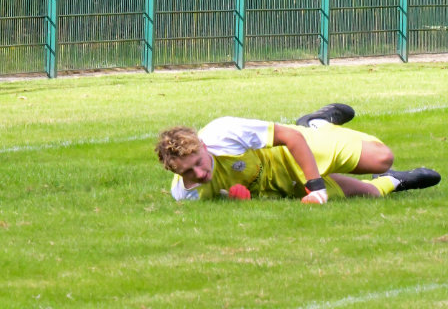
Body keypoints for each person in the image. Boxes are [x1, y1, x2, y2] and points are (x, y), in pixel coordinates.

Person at [155, 103, 441, 202]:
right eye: (188, 172)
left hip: (288, 152)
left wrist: (316, 188)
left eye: (198, 163)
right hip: (278, 185)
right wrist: (232, 199)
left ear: (203, 146)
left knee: (381, 158)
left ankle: (317, 123)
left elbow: (289, 137)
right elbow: (217, 200)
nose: (199, 174)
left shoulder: (222, 132)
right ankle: (396, 181)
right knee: (370, 194)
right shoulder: (185, 194)